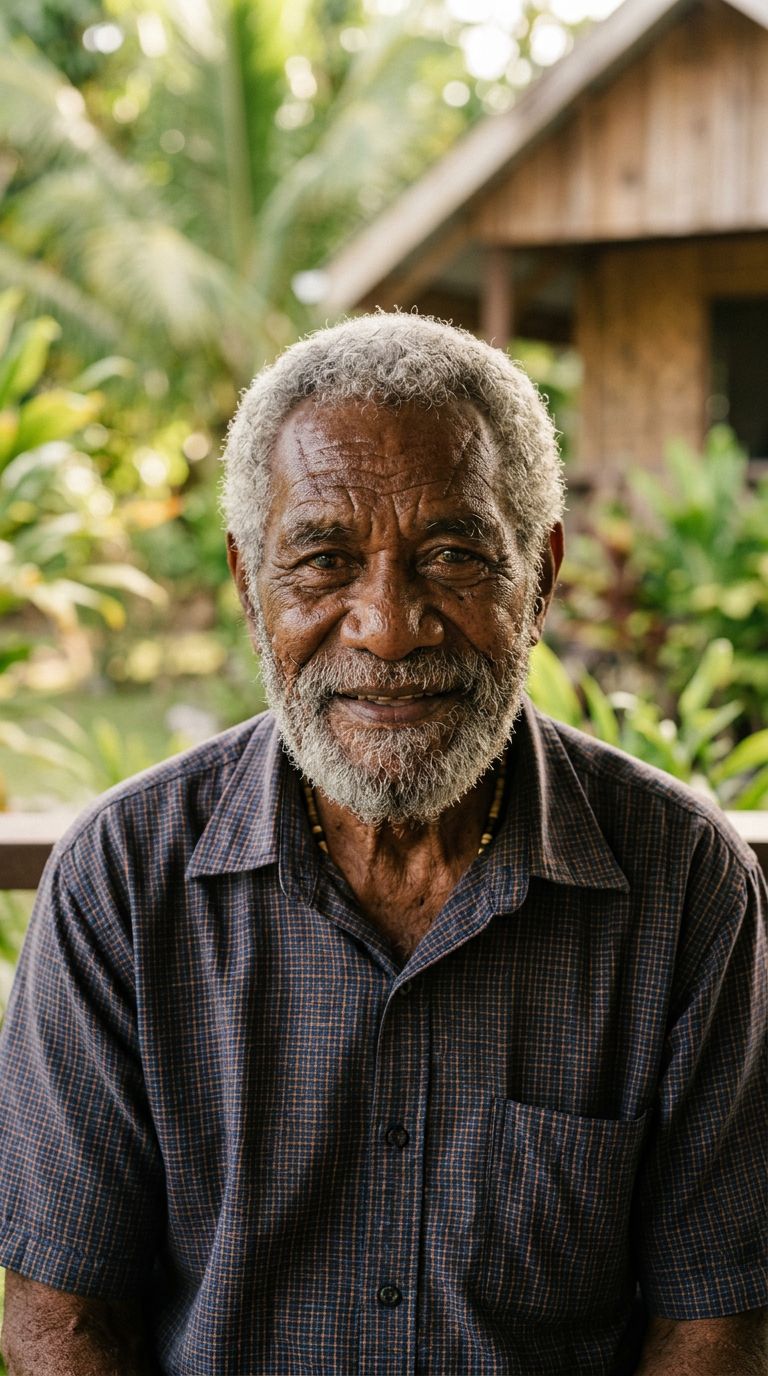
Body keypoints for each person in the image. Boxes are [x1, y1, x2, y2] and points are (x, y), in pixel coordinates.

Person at [0, 313, 765, 1376]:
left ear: (538, 578)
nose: (388, 626)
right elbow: (62, 1320)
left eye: (453, 554)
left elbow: (715, 1322)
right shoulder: (123, 880)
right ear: (247, 586)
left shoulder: (683, 883)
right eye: (321, 560)